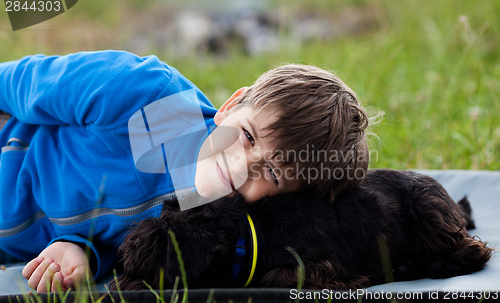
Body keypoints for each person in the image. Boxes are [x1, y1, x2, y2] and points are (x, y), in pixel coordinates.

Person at [0, 50, 369, 292]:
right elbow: (20, 82)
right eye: (247, 136)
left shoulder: (208, 233)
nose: (241, 166)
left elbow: (117, 245)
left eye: (271, 174)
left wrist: (81, 251)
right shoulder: (144, 95)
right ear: (231, 105)